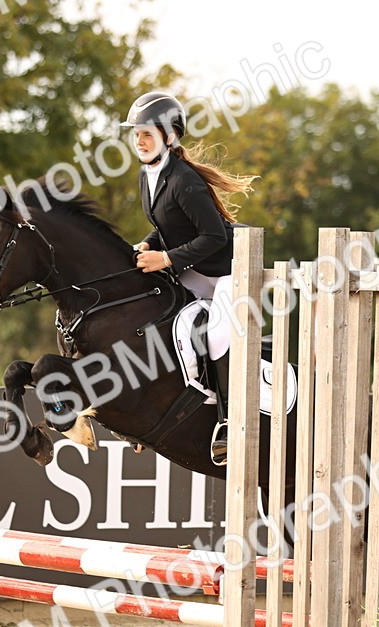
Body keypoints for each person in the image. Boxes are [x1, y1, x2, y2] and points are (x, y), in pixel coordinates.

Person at [121, 91, 257, 465]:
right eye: (136, 134)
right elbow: (167, 225)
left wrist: (165, 258)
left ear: (169, 136)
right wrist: (147, 244)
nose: (139, 141)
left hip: (229, 271)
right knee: (158, 317)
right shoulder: (147, 176)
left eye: (146, 134)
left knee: (215, 337)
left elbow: (213, 236)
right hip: (195, 268)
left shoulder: (185, 180)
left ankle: (229, 422)